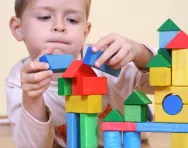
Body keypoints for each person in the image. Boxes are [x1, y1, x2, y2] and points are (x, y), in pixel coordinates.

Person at [6, 0, 156, 147]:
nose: (59, 26)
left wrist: (140, 52)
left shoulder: (103, 60)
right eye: (44, 17)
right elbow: (32, 145)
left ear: (85, 31)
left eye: (72, 20)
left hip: (130, 131)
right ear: (18, 28)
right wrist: (32, 98)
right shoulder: (18, 80)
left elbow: (166, 81)